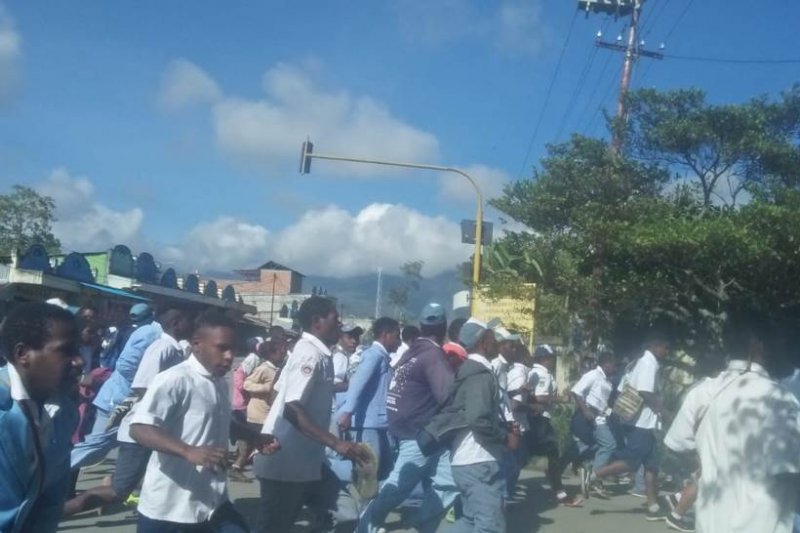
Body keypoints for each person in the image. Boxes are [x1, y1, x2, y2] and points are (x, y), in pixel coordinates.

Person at [130, 311, 279, 532]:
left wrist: (254, 437)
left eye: (233, 348)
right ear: (197, 344)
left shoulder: (218, 381)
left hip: (213, 501)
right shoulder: (175, 379)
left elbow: (221, 420)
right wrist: (188, 451)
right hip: (170, 508)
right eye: (222, 348)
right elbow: (139, 428)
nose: (229, 356)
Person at [62, 306, 194, 516]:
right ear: (176, 322)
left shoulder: (169, 343)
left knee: (106, 456)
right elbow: (133, 374)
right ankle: (50, 488)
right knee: (95, 449)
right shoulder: (157, 341)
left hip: (136, 413)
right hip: (124, 405)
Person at [253, 296, 366, 533]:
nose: (340, 324)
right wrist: (336, 443)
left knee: (346, 514)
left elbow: (277, 392)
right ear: (317, 322)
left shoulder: (319, 354)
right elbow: (292, 407)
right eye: (335, 319)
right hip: (286, 464)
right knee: (274, 528)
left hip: (310, 462)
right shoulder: (308, 354)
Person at [686, 312, 800, 533]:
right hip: (761, 524)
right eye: (775, 342)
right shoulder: (779, 398)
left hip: (710, 521)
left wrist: (711, 465)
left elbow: (678, 444)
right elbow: (788, 467)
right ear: (759, 346)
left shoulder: (706, 390)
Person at [358, 302, 458, 533]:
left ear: (422, 326)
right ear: (443, 327)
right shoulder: (433, 354)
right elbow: (448, 396)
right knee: (398, 487)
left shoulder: (412, 351)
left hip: (411, 431)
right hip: (420, 433)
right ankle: (365, 527)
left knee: (449, 481)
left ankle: (420, 525)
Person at [0, 302, 83, 532]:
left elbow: (50, 499)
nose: (80, 361)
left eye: (78, 350)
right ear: (23, 354)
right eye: (66, 351)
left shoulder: (63, 413)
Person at [435, 318, 517, 533]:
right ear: (483, 341)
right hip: (479, 460)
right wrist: (503, 437)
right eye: (493, 338)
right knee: (490, 525)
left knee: (469, 522)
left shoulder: (470, 370)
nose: (497, 343)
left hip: (468, 460)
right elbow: (478, 418)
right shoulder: (479, 374)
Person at [70, 305, 165, 471]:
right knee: (95, 447)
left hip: (129, 399)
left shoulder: (158, 335)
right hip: (118, 399)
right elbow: (126, 365)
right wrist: (144, 383)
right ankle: (51, 470)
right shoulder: (150, 334)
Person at [590, 335, 669, 520]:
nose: (667, 352)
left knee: (651, 466)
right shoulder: (648, 363)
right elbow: (644, 392)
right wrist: (665, 411)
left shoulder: (640, 363)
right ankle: (595, 474)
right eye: (666, 347)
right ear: (656, 346)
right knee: (632, 461)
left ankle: (652, 506)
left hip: (645, 423)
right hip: (641, 423)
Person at [337, 317, 402, 479]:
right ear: (386, 335)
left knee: (383, 470)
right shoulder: (374, 355)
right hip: (368, 424)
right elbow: (358, 384)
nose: (399, 341)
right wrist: (347, 412)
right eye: (397, 336)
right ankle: (364, 503)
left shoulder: (382, 356)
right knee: (369, 472)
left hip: (379, 423)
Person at [527, 344, 574, 504]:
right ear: (544, 359)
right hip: (540, 419)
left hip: (536, 418)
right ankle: (558, 490)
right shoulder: (542, 374)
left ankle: (558, 488)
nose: (553, 360)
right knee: (551, 452)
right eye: (551, 357)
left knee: (530, 454)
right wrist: (561, 399)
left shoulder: (536, 372)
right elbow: (539, 397)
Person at [569, 351, 617, 497]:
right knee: (609, 444)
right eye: (614, 365)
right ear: (606, 364)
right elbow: (576, 391)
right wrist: (585, 411)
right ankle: (594, 476)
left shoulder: (607, 380)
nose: (615, 368)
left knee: (601, 445)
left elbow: (601, 402)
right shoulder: (593, 375)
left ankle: (589, 469)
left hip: (601, 416)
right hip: (590, 416)